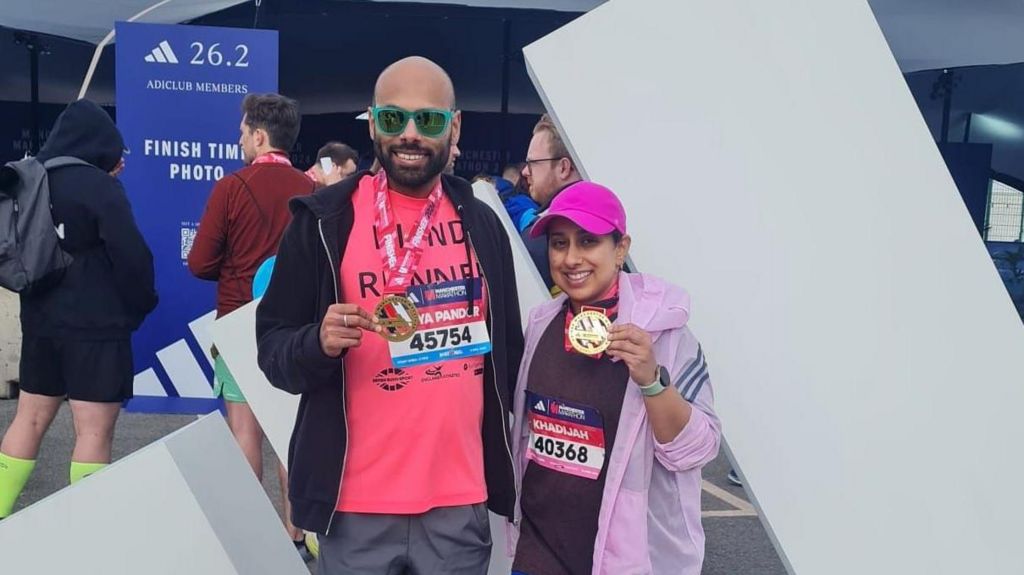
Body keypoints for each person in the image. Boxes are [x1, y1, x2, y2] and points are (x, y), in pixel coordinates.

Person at [256, 56, 523, 575]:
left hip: (458, 504)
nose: (410, 134)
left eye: (428, 120)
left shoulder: (484, 226)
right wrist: (318, 342)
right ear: (373, 120)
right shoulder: (322, 222)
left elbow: (509, 356)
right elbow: (273, 351)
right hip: (354, 505)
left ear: (455, 125)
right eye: (394, 117)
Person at [509, 181, 721, 575]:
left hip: (622, 557)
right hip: (538, 550)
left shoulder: (665, 334)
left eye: (588, 241)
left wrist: (652, 380)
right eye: (559, 243)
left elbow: (699, 449)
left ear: (620, 249)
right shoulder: (541, 323)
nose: (571, 258)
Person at [0, 99, 158, 518]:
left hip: (40, 323)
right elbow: (131, 255)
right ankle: (88, 532)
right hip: (97, 328)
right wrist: (141, 304)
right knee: (92, 431)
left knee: (28, 421)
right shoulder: (99, 187)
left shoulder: (30, 178)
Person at [187, 93, 315, 556]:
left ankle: (252, 542)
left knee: (245, 433)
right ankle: (297, 538)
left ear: (260, 136)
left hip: (241, 325)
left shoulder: (231, 187)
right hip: (298, 332)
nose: (238, 138)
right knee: (289, 436)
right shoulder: (312, 188)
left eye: (243, 131)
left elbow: (200, 262)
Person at [520, 115, 583, 291]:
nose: (525, 171)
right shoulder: (609, 224)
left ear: (563, 168)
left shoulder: (540, 236)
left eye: (532, 163)